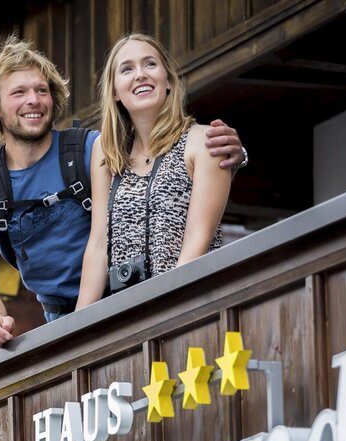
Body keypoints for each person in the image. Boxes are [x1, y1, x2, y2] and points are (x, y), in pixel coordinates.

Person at [0, 36, 245, 351]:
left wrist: (235, 156)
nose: (33, 100)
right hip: (76, 314)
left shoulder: (93, 149)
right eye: (19, 92)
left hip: (147, 297)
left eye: (41, 90)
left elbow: (169, 155)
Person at [76, 33, 233, 311]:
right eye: (127, 69)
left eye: (150, 64)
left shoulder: (204, 141)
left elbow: (198, 239)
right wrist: (79, 323)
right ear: (115, 91)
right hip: (125, 312)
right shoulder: (106, 151)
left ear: (168, 80)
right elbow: (99, 244)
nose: (140, 74)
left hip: (188, 304)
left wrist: (165, 311)